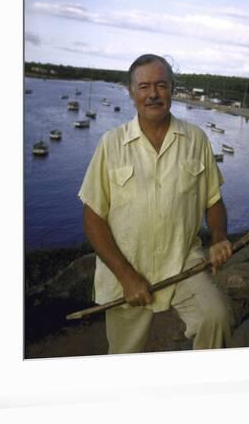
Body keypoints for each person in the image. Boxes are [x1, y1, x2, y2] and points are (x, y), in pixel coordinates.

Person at [78, 54, 234, 354]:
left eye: (161, 85)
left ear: (172, 89)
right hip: (127, 271)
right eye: (144, 86)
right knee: (125, 356)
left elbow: (213, 200)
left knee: (216, 319)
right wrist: (125, 275)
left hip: (183, 261)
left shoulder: (196, 139)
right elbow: (92, 216)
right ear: (131, 92)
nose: (153, 94)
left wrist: (218, 238)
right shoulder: (111, 144)